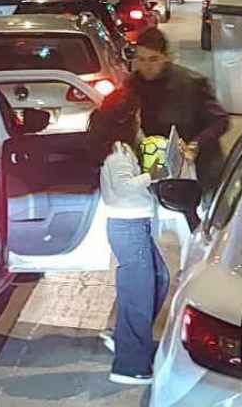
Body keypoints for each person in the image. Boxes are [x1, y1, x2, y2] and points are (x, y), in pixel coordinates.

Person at [88, 89, 169, 386]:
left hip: (134, 226)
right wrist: (154, 175)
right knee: (139, 294)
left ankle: (127, 338)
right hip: (129, 228)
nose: (140, 117)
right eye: (136, 113)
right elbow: (124, 187)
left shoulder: (123, 147)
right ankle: (130, 365)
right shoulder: (119, 152)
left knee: (158, 279)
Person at [128, 27, 229, 193]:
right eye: (141, 59)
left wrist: (195, 145)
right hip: (154, 167)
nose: (147, 66)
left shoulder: (191, 84)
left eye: (153, 59)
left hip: (197, 169)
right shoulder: (131, 86)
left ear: (166, 57)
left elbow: (220, 121)